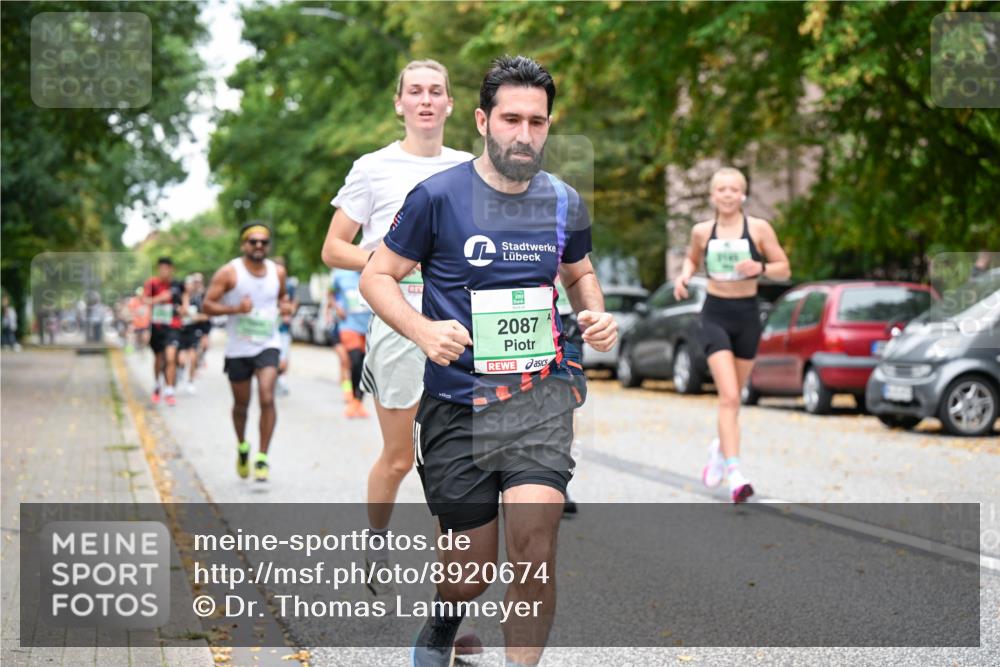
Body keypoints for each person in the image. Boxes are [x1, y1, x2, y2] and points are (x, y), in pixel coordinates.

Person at [360, 55, 617, 667]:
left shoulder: (562, 201)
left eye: (537, 121)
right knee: (470, 573)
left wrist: (596, 312)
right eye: (511, 119)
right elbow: (378, 276)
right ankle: (443, 622)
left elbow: (579, 274)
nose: (524, 135)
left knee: (535, 551)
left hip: (539, 399)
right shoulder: (438, 197)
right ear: (482, 120)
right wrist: (423, 331)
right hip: (456, 406)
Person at [320, 59, 474, 587]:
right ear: (400, 103)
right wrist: (386, 265)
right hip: (397, 319)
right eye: (416, 91)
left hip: (457, 324)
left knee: (452, 462)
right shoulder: (373, 168)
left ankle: (448, 593)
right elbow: (332, 248)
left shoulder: (470, 167)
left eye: (436, 91)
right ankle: (376, 540)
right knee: (398, 458)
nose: (426, 99)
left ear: (451, 104)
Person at [673, 167, 790, 503]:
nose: (726, 194)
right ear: (713, 196)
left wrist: (761, 268)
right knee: (728, 397)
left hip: (748, 316)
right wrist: (683, 277)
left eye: (733, 189)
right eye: (721, 189)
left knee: (734, 398)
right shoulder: (701, 231)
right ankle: (736, 474)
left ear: (743, 195)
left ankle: (718, 448)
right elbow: (691, 260)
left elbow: (785, 267)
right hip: (715, 315)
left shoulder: (758, 229)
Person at [203, 222, 294, 482]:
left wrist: (287, 308)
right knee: (241, 405)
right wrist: (234, 310)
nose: (258, 246)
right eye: (252, 241)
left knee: (267, 396)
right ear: (243, 244)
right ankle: (243, 446)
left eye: (263, 242)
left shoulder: (278, 273)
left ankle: (263, 457)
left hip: (268, 343)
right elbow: (207, 305)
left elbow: (283, 300)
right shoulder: (229, 273)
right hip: (238, 348)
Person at [144, 257, 186, 406]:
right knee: (159, 359)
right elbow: (145, 301)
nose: (164, 271)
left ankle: (169, 390)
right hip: (157, 326)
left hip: (173, 326)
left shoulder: (178, 285)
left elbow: (184, 301)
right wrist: (159, 299)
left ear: (171, 269)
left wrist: (183, 309)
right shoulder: (152, 283)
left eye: (167, 268)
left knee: (170, 357)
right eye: (161, 268)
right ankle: (157, 385)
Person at [330, 269, 372, 417]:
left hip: (368, 326)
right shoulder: (339, 274)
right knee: (353, 361)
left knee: (363, 364)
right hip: (348, 325)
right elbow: (330, 293)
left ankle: (358, 401)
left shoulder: (374, 270)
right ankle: (352, 397)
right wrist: (336, 307)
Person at [178, 273, 210, 394]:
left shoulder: (199, 299)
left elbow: (206, 316)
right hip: (180, 332)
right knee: (181, 360)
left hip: (193, 331)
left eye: (193, 284)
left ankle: (190, 381)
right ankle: (180, 370)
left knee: (193, 357)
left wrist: (195, 317)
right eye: (189, 284)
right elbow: (178, 313)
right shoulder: (178, 297)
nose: (191, 286)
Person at [273, 257, 298, 396]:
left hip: (283, 328)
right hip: (268, 328)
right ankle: (273, 380)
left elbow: (293, 304)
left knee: (283, 357)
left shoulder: (289, 285)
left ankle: (281, 381)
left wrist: (289, 311)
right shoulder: (267, 283)